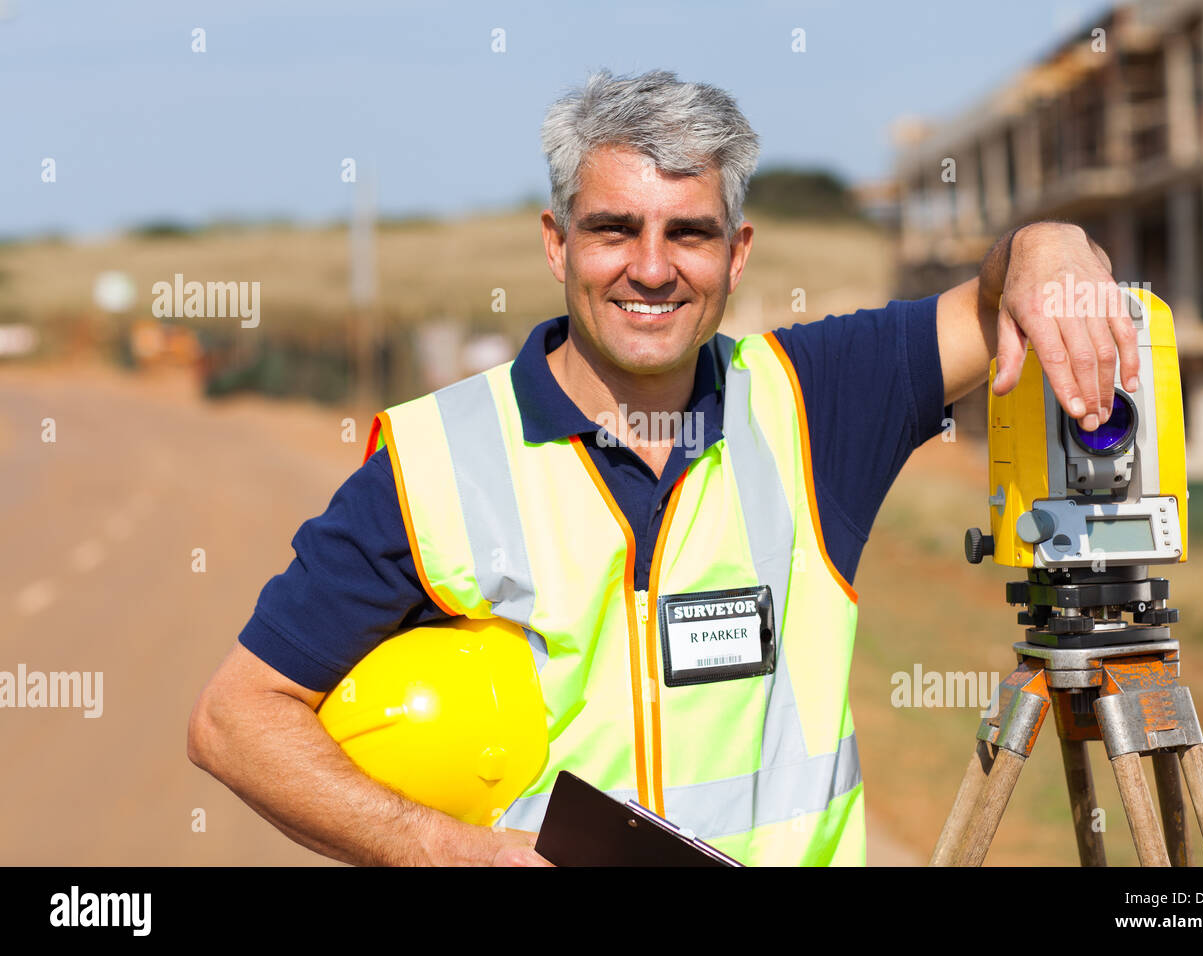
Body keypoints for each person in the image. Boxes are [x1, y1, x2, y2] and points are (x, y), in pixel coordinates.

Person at [187, 69, 1138, 867]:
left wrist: (1050, 247)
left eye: (688, 232)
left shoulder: (815, 403)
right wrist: (445, 850)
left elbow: (989, 301)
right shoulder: (438, 457)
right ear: (557, 243)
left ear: (737, 253)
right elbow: (236, 720)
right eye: (613, 229)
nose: (652, 268)